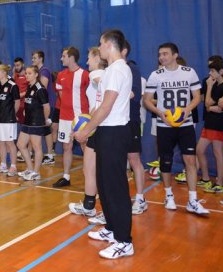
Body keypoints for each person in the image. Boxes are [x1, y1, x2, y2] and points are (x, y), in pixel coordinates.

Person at [75, 29, 134, 259]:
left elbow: (107, 107)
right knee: (104, 183)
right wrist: (90, 124)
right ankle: (111, 228)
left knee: (116, 187)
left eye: (100, 43)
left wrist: (85, 131)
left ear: (109, 44)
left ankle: (124, 241)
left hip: (114, 132)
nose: (98, 47)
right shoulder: (110, 70)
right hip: (104, 131)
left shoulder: (118, 70)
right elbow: (100, 104)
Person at [143, 42, 208, 215]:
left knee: (190, 160)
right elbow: (146, 100)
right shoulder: (155, 75)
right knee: (165, 160)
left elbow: (197, 97)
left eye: (165, 54)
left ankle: (192, 200)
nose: (161, 57)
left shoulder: (189, 72)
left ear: (175, 55)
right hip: (164, 124)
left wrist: (187, 109)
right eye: (159, 54)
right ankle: (168, 195)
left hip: (185, 124)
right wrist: (159, 112)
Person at [69, 47, 106, 218]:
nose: (87, 62)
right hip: (96, 125)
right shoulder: (102, 75)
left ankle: (106, 210)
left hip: (101, 127)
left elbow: (106, 95)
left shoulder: (96, 74)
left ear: (97, 58)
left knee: (100, 171)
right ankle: (89, 205)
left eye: (89, 58)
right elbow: (98, 102)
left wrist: (87, 127)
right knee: (89, 168)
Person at [52, 47, 90, 188]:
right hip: (65, 118)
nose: (61, 59)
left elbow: (91, 95)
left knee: (86, 147)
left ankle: (91, 177)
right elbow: (62, 97)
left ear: (72, 57)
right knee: (66, 147)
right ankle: (66, 177)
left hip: (81, 118)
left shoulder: (85, 75)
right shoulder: (60, 75)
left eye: (64, 56)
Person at [123, 41, 148, 214]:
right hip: (115, 123)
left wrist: (113, 94)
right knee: (118, 161)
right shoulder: (110, 69)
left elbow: (135, 94)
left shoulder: (132, 69)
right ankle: (121, 197)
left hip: (131, 121)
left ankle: (140, 198)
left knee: (134, 159)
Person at [16, 65, 50, 180]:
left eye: (29, 73)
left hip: (37, 122)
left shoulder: (40, 89)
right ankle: (30, 169)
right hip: (27, 121)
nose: (27, 75)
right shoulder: (30, 87)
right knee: (20, 144)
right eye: (26, 73)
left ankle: (36, 172)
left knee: (37, 147)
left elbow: (46, 106)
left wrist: (45, 119)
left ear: (36, 74)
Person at [196, 59, 223, 192]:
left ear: (221, 71)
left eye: (212, 71)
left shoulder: (220, 86)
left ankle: (219, 183)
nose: (210, 73)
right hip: (209, 123)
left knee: (218, 153)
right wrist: (212, 107)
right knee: (199, 150)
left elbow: (208, 103)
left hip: (218, 124)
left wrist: (210, 87)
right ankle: (206, 178)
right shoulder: (217, 85)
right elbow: (209, 106)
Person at [32, 50, 56, 165]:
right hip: (42, 105)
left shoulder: (44, 71)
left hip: (46, 105)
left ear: (41, 59)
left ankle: (50, 156)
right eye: (32, 58)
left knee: (46, 129)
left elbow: (42, 89)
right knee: (44, 130)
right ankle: (44, 154)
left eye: (35, 58)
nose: (33, 60)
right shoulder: (39, 71)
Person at [13, 58, 28, 124]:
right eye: (15, 65)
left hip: (24, 106)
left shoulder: (27, 76)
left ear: (23, 65)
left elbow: (30, 90)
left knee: (24, 126)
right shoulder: (15, 76)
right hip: (16, 106)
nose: (16, 67)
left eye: (18, 65)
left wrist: (19, 95)